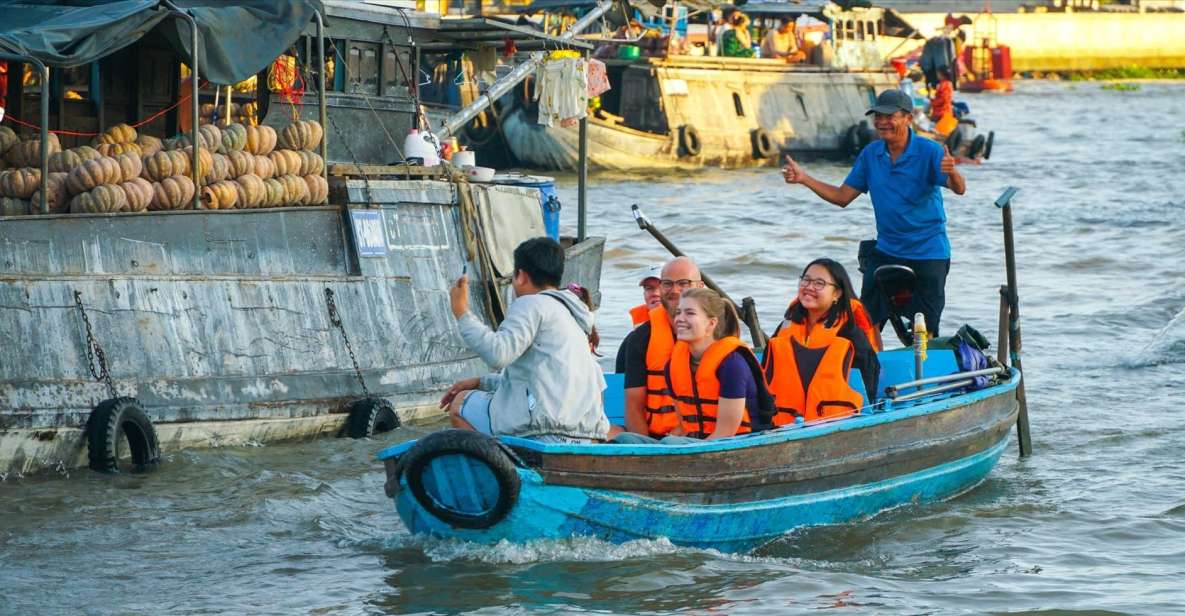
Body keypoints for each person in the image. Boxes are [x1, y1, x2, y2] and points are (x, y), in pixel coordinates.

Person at [780, 89, 965, 336]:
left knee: (926, 328)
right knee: (864, 321)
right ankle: (871, 369)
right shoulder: (871, 154)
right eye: (878, 116)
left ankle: (921, 369)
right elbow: (842, 197)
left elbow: (959, 189)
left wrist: (952, 171)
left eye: (890, 116)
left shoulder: (929, 151)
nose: (882, 122)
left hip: (928, 250)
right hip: (887, 250)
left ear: (908, 118)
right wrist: (804, 178)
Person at [441, 237, 609, 443]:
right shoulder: (575, 315)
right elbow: (537, 382)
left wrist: (461, 313)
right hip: (583, 436)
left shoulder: (530, 304)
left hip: (543, 431)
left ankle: (501, 466)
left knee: (459, 404)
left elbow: (497, 354)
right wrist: (480, 382)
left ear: (520, 276)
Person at [615, 289, 769, 444]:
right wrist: (659, 445)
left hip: (735, 443)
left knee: (671, 444)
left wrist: (668, 447)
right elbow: (684, 426)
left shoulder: (732, 364)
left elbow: (726, 432)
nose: (679, 319)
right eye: (678, 312)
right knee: (625, 439)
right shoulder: (674, 366)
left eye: (690, 313)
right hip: (695, 442)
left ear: (711, 323)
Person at [766, 259, 881, 425]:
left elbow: (868, 383)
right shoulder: (786, 327)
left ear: (837, 293)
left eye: (819, 283)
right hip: (781, 424)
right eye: (806, 280)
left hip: (834, 423)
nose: (809, 287)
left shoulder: (850, 333)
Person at [619, 256, 705, 438]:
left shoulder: (716, 334)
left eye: (683, 283)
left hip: (706, 436)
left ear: (700, 286)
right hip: (656, 440)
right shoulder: (640, 338)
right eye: (667, 284)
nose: (674, 290)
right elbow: (634, 406)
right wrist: (650, 451)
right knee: (623, 437)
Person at [615, 264, 663, 373]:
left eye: (661, 287)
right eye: (649, 288)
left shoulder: (687, 332)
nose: (655, 293)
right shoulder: (632, 340)